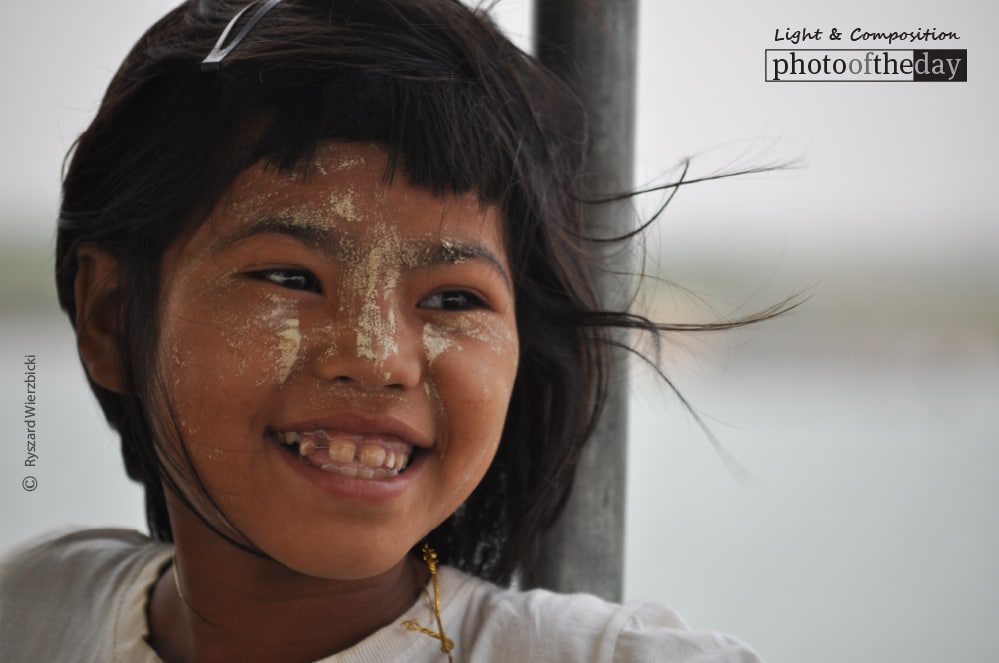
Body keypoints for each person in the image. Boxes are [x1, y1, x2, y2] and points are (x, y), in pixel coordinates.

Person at [0, 1, 770, 660]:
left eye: (453, 300)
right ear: (112, 315)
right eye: (291, 278)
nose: (378, 359)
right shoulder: (33, 613)